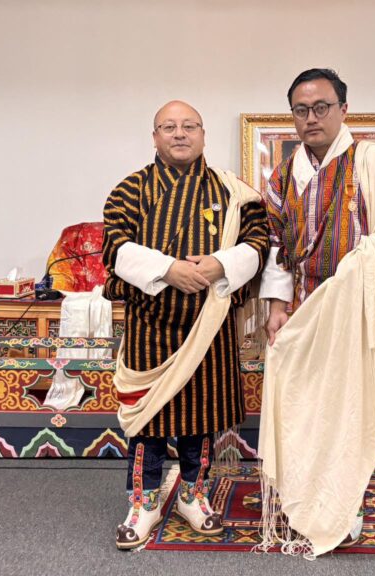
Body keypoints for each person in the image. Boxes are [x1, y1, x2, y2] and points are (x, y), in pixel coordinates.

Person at [257, 69, 375, 557]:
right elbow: (276, 245)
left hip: (360, 315)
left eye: (321, 107)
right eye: (301, 110)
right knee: (302, 409)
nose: (311, 118)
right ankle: (306, 500)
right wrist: (276, 305)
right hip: (304, 310)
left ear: (344, 110)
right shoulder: (282, 176)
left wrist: (369, 258)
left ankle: (343, 507)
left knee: (349, 413)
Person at [101, 100, 269, 550]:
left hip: (209, 327)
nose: (180, 133)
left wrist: (220, 264)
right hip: (149, 327)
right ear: (155, 136)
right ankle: (144, 502)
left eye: (189, 126)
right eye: (169, 126)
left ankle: (193, 496)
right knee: (148, 422)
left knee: (201, 418)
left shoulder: (234, 193)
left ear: (203, 134)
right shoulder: (129, 191)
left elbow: (258, 241)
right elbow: (115, 246)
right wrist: (168, 270)